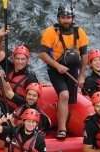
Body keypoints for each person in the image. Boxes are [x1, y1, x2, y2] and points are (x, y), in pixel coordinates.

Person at [38, 2, 88, 140]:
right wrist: (57, 66)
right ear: (58, 18)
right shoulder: (50, 32)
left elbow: (84, 57)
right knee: (64, 95)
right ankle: (62, 129)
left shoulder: (79, 32)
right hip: (55, 69)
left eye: (68, 17)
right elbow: (42, 54)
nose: (66, 20)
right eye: (63, 17)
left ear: (73, 18)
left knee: (72, 100)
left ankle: (69, 122)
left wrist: (82, 76)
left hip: (73, 70)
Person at [0, 81, 51, 150]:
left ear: (38, 98)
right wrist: (1, 78)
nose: (31, 97)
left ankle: (4, 146)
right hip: (16, 131)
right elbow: (8, 93)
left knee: (5, 124)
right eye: (29, 94)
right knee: (2, 121)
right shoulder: (23, 103)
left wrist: (11, 123)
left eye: (34, 96)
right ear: (26, 95)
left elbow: (27, 134)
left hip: (25, 140)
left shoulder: (37, 115)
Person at [0, 26, 39, 113]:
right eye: (17, 58)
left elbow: (30, 103)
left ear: (27, 61)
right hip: (5, 111)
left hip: (19, 115)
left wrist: (1, 78)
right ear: (13, 59)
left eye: (23, 59)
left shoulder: (30, 79)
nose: (20, 61)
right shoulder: (10, 68)